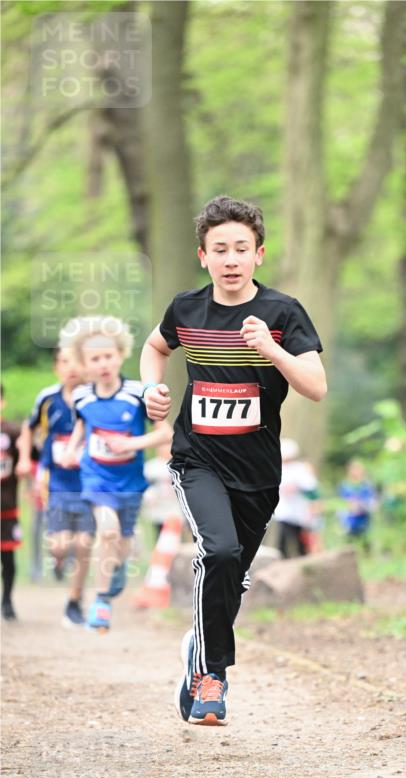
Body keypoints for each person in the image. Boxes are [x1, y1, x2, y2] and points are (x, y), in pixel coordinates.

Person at [140, 194, 326, 726]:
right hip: (196, 459)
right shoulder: (186, 308)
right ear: (203, 256)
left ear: (258, 255)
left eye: (241, 248)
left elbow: (315, 387)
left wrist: (272, 349)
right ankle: (212, 677)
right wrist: (151, 390)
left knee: (233, 576)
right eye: (219, 249)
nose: (230, 259)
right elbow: (155, 348)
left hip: (259, 473)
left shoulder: (283, 313)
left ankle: (198, 649)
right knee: (218, 552)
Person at [60, 316, 172, 631]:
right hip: (95, 477)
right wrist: (72, 449)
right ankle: (101, 601)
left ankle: (118, 568)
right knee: (106, 531)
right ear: (84, 364)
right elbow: (83, 426)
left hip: (130, 481)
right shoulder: (82, 396)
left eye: (109, 356)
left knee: (121, 540)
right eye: (95, 359)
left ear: (121, 354)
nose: (103, 363)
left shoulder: (138, 393)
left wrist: (131, 443)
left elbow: (165, 434)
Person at [16, 344, 95, 626]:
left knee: (84, 544)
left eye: (77, 362)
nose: (71, 368)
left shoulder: (96, 397)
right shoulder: (47, 398)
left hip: (90, 482)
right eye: (64, 362)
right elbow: (28, 427)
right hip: (56, 482)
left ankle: (74, 601)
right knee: (60, 546)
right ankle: (60, 559)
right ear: (56, 367)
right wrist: (25, 458)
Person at [0, 385, 27, 620]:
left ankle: (7, 600)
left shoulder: (12, 432)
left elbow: (29, 459)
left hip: (6, 507)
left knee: (7, 558)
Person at [273, 438, 320, 558]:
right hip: (283, 512)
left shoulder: (300, 469)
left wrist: (297, 488)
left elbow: (312, 490)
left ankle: (302, 564)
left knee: (300, 543)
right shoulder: (276, 468)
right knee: (282, 541)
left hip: (299, 513)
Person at [338, 459, 376, 550]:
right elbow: (341, 504)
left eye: (359, 469)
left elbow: (372, 502)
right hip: (349, 522)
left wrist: (362, 506)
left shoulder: (366, 485)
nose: (357, 472)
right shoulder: (345, 486)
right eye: (354, 469)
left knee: (366, 546)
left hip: (364, 521)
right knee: (349, 548)